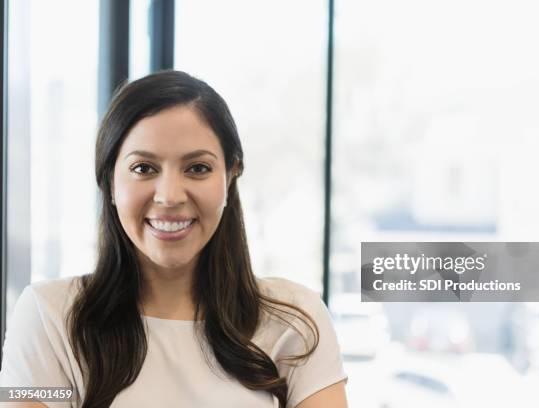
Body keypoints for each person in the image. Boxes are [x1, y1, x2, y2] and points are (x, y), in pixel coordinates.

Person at [0, 71, 349, 408]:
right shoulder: (49, 319)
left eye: (197, 168)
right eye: (143, 168)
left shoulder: (295, 321)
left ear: (231, 175)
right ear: (109, 181)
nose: (169, 196)